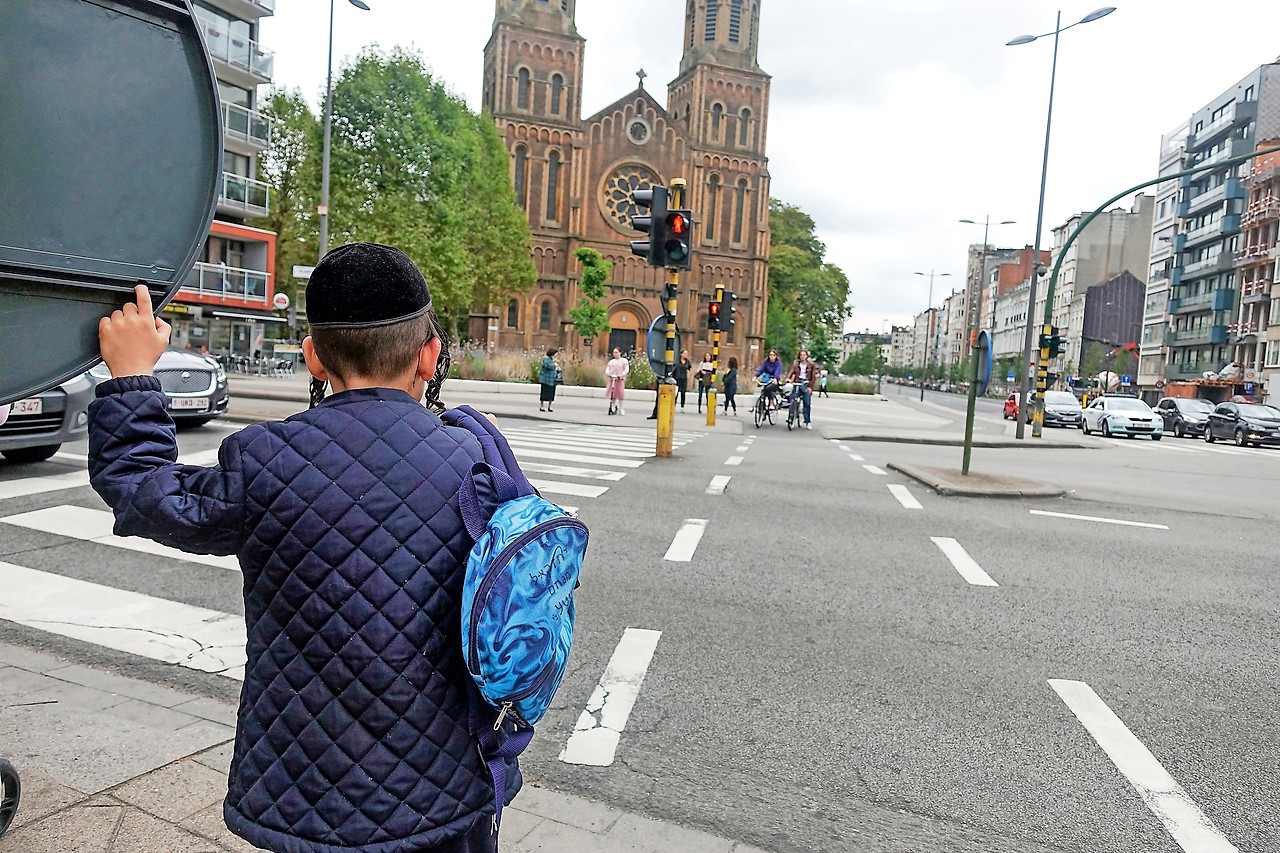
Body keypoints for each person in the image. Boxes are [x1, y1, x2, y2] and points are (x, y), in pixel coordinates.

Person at [87, 244, 521, 853]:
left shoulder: (265, 459)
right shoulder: (478, 457)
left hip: (312, 791)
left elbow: (142, 492)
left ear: (312, 357)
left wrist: (133, 379)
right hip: (448, 784)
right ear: (430, 355)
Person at [788, 348, 820, 429]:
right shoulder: (796, 365)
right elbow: (791, 372)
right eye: (801, 355)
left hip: (806, 383)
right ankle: (791, 417)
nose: (802, 356)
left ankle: (807, 421)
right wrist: (788, 379)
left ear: (806, 356)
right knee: (792, 399)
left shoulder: (811, 365)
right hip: (797, 382)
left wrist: (810, 387)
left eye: (804, 355)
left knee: (807, 403)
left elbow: (813, 377)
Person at [605, 347, 629, 415]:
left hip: (620, 379)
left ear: (620, 353)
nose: (615, 354)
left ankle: (621, 408)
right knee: (613, 394)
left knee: (620, 394)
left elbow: (626, 369)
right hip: (612, 379)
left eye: (616, 352)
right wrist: (608, 374)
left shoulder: (624, 361)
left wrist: (622, 375)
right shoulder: (611, 362)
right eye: (614, 352)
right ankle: (612, 407)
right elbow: (607, 369)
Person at [539, 347, 559, 412]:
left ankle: (549, 406)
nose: (556, 355)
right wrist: (554, 365)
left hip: (552, 380)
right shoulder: (546, 359)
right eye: (555, 354)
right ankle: (542, 406)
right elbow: (548, 366)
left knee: (551, 394)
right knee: (544, 393)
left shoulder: (552, 359)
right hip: (546, 380)